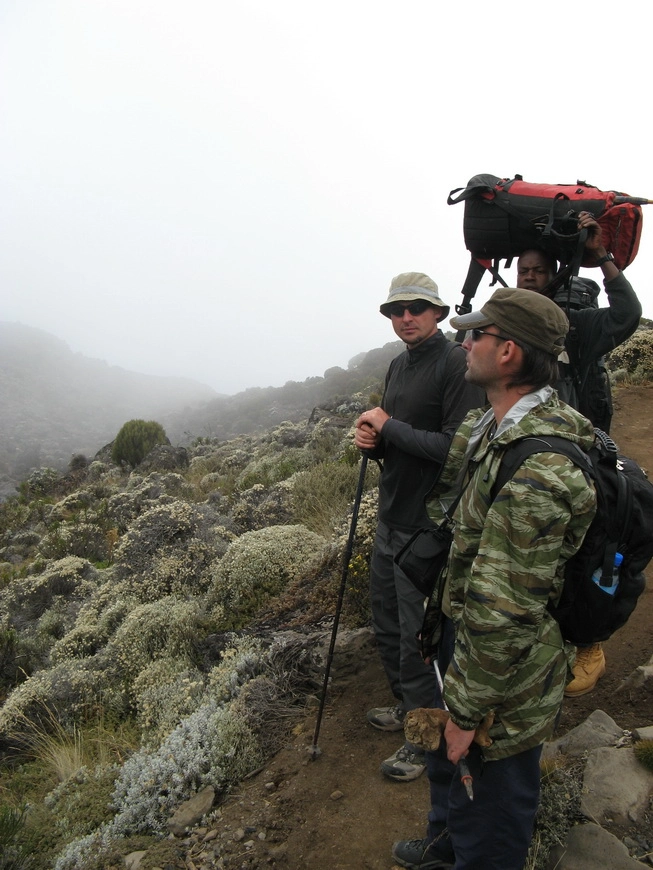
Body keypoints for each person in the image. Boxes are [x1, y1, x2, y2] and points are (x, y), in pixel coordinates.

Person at [392, 287, 597, 870]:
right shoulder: (490, 425)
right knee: (456, 776)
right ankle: (445, 847)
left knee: (493, 801)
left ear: (507, 352)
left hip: (505, 674)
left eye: (475, 334)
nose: (463, 342)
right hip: (467, 641)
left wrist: (463, 713)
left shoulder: (541, 467)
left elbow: (505, 609)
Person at [354, 272, 484, 782]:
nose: (405, 317)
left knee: (418, 636)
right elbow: (401, 444)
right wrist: (376, 443)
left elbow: (457, 448)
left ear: (437, 312)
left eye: (415, 308)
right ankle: (408, 708)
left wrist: (389, 427)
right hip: (391, 516)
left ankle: (424, 736)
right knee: (386, 622)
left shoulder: (455, 364)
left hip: (428, 526)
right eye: (395, 310)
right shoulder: (397, 365)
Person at [516, 211, 642, 697]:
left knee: (584, 549)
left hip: (577, 460)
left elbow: (627, 317)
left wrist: (602, 259)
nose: (530, 277)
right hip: (523, 462)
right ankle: (537, 644)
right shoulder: (509, 324)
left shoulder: (577, 326)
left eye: (539, 271)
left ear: (556, 275)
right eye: (523, 270)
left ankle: (588, 641)